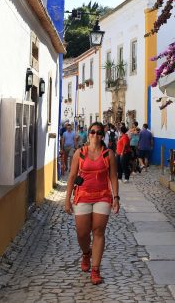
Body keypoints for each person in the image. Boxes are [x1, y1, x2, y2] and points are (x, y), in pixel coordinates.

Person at [65, 122, 120, 285]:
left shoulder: (108, 154)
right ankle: (86, 253)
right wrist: (67, 199)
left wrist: (116, 197)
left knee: (98, 231)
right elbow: (72, 176)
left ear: (102, 136)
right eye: (92, 132)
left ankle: (95, 270)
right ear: (88, 134)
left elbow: (113, 176)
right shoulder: (79, 153)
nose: (95, 135)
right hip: (82, 196)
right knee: (82, 233)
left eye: (98, 133)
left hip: (103, 196)